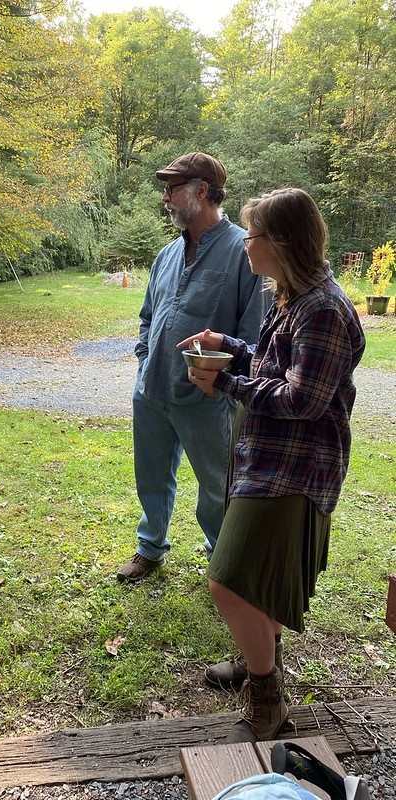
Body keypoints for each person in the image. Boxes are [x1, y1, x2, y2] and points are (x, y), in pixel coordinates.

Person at [179, 187, 365, 742]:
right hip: (265, 454)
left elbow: (303, 400)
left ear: (281, 241)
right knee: (258, 579)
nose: (246, 245)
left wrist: (226, 384)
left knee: (228, 582)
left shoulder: (323, 309)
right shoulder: (292, 297)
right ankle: (261, 657)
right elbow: (274, 363)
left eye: (253, 236)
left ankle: (267, 700)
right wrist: (230, 346)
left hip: (297, 467)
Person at [117, 152, 268, 582]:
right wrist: (144, 359)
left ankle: (223, 560)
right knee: (150, 475)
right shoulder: (166, 254)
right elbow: (148, 317)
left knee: (217, 485)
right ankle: (150, 547)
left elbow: (254, 334)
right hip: (152, 389)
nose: (165, 198)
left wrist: (225, 384)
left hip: (209, 398)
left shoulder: (244, 251)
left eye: (172, 189)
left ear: (201, 191)